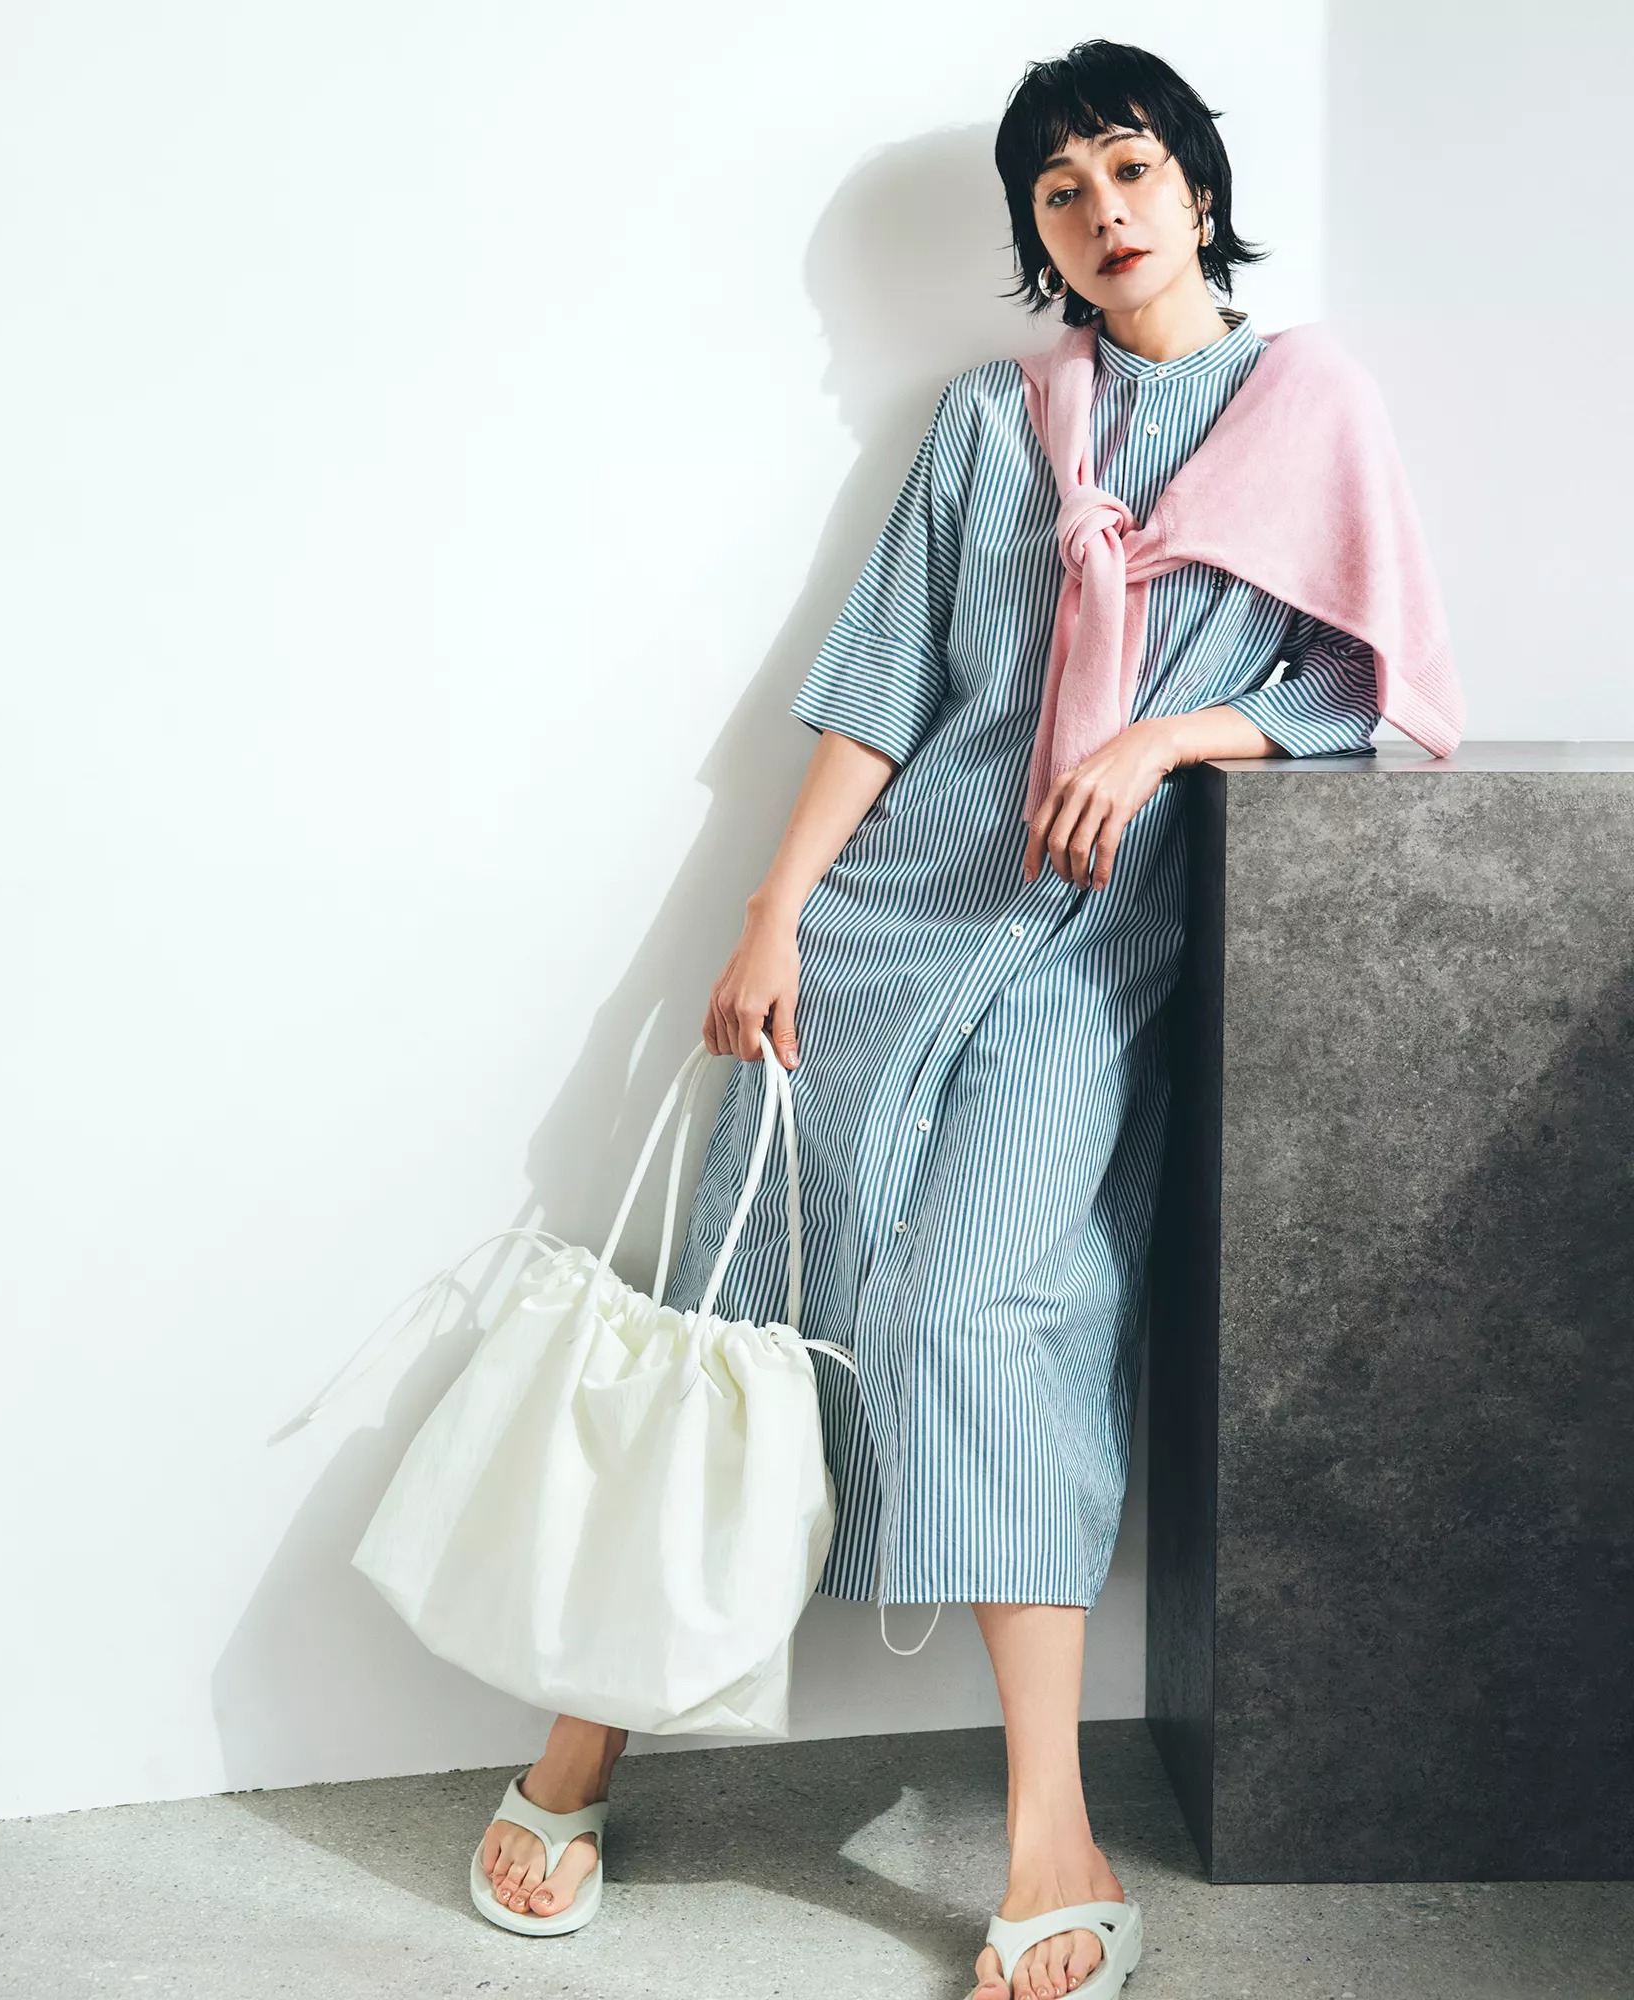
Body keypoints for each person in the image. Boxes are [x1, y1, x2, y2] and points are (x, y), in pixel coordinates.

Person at [477, 39, 1394, 2000]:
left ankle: (1051, 1832)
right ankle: (581, 1746)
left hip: (1088, 950)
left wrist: (1163, 735)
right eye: (1059, 192)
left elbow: (1347, 685)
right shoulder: (994, 419)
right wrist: (771, 918)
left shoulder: (1309, 403)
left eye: (1128, 165)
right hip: (888, 921)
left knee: (991, 1317)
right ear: (1036, 236)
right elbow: (887, 683)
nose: (1102, 210)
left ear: (1199, 181)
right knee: (739, 1297)